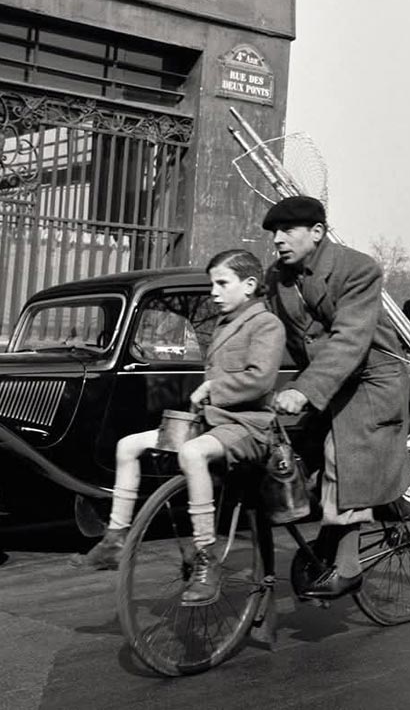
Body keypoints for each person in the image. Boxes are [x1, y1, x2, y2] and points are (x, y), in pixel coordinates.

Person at [72, 249, 286, 607]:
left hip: (249, 426)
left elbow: (261, 380)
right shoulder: (225, 323)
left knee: (191, 452)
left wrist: (212, 389)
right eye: (212, 284)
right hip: (213, 422)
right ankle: (114, 539)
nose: (214, 292)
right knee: (128, 446)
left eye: (222, 283)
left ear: (249, 285)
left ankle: (207, 558)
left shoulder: (267, 325)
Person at [263, 195, 410, 600]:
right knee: (292, 458)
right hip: (323, 381)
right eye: (274, 232)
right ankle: (328, 536)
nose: (277, 239)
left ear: (316, 232)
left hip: (369, 380)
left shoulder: (358, 268)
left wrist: (304, 389)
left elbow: (350, 339)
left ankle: (348, 567)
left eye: (286, 230)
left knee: (340, 455)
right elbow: (266, 331)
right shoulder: (276, 278)